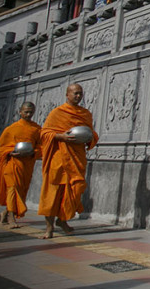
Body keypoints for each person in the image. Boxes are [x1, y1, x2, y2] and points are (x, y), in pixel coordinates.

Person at [38, 83, 98, 239]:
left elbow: (91, 133)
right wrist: (61, 137)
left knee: (75, 190)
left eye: (80, 93)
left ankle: (63, 220)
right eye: (75, 93)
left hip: (76, 158)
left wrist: (89, 138)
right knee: (52, 195)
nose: (78, 96)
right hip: (58, 159)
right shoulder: (57, 113)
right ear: (67, 94)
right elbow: (44, 134)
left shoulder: (85, 114)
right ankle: (49, 227)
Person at [0, 101, 42, 228]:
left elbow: (41, 146)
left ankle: (5, 213)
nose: (28, 114)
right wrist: (10, 152)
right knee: (12, 189)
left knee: (20, 190)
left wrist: (33, 152)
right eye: (26, 111)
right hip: (12, 164)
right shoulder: (11, 129)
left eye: (31, 112)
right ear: (20, 112)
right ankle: (11, 218)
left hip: (26, 164)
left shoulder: (36, 129)